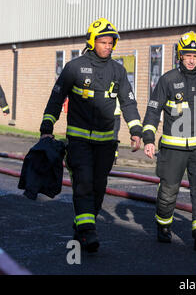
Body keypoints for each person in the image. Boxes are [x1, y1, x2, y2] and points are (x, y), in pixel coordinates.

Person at [39, 18, 142, 252]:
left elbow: (128, 102)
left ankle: (83, 226)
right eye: (103, 42)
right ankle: (88, 231)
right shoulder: (74, 67)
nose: (107, 46)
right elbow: (56, 98)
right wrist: (47, 128)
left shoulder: (118, 70)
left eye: (111, 42)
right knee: (83, 182)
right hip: (79, 140)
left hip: (107, 142)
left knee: (98, 186)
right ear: (92, 42)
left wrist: (136, 132)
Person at [142, 31, 196, 251]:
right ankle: (163, 225)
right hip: (173, 148)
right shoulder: (167, 79)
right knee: (168, 192)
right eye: (187, 55)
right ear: (180, 55)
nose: (191, 59)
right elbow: (153, 111)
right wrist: (149, 138)